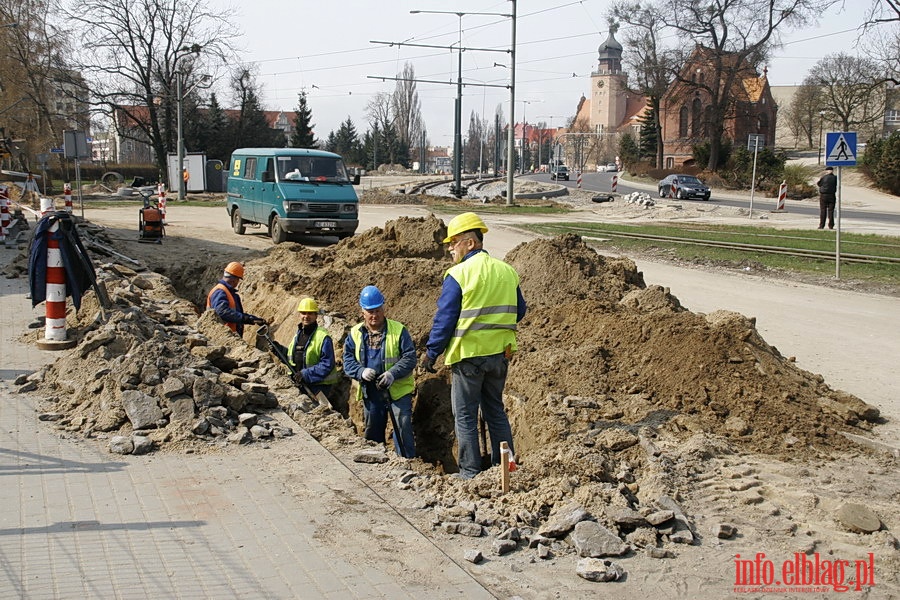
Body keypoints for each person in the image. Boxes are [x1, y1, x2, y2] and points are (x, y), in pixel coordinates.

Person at [422, 212, 527, 479]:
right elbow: (520, 310)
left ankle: (469, 472)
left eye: (453, 242)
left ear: (470, 243)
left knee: (466, 416)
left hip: (469, 356)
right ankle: (506, 466)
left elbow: (444, 320)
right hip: (499, 356)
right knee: (495, 411)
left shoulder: (458, 274)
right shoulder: (507, 271)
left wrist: (431, 353)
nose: (449, 249)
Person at [343, 285, 417, 458]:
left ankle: (406, 462)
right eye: (370, 311)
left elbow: (410, 357)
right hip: (371, 391)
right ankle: (376, 463)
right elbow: (348, 360)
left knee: (402, 425)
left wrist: (392, 373)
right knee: (373, 431)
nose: (374, 315)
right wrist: (360, 371)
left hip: (397, 390)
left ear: (384, 309)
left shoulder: (398, 331)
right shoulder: (355, 333)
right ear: (363, 312)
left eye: (377, 310)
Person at [272, 297, 339, 395]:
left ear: (316, 316)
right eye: (303, 313)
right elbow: (293, 358)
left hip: (318, 387)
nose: (306, 316)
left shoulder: (323, 337)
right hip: (300, 383)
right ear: (300, 315)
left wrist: (305, 374)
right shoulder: (299, 334)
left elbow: (327, 364)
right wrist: (278, 349)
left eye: (310, 313)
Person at [206, 262, 265, 336]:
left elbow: (235, 312)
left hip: (229, 335)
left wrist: (251, 319)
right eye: (238, 280)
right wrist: (245, 318)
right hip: (224, 336)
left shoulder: (227, 292)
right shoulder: (220, 291)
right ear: (234, 280)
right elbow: (222, 312)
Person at [817, 166, 837, 230]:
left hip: (823, 195)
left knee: (823, 210)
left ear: (826, 171)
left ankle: (821, 225)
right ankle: (831, 225)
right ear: (832, 171)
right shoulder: (835, 178)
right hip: (832, 195)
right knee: (831, 211)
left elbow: (819, 184)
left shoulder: (824, 177)